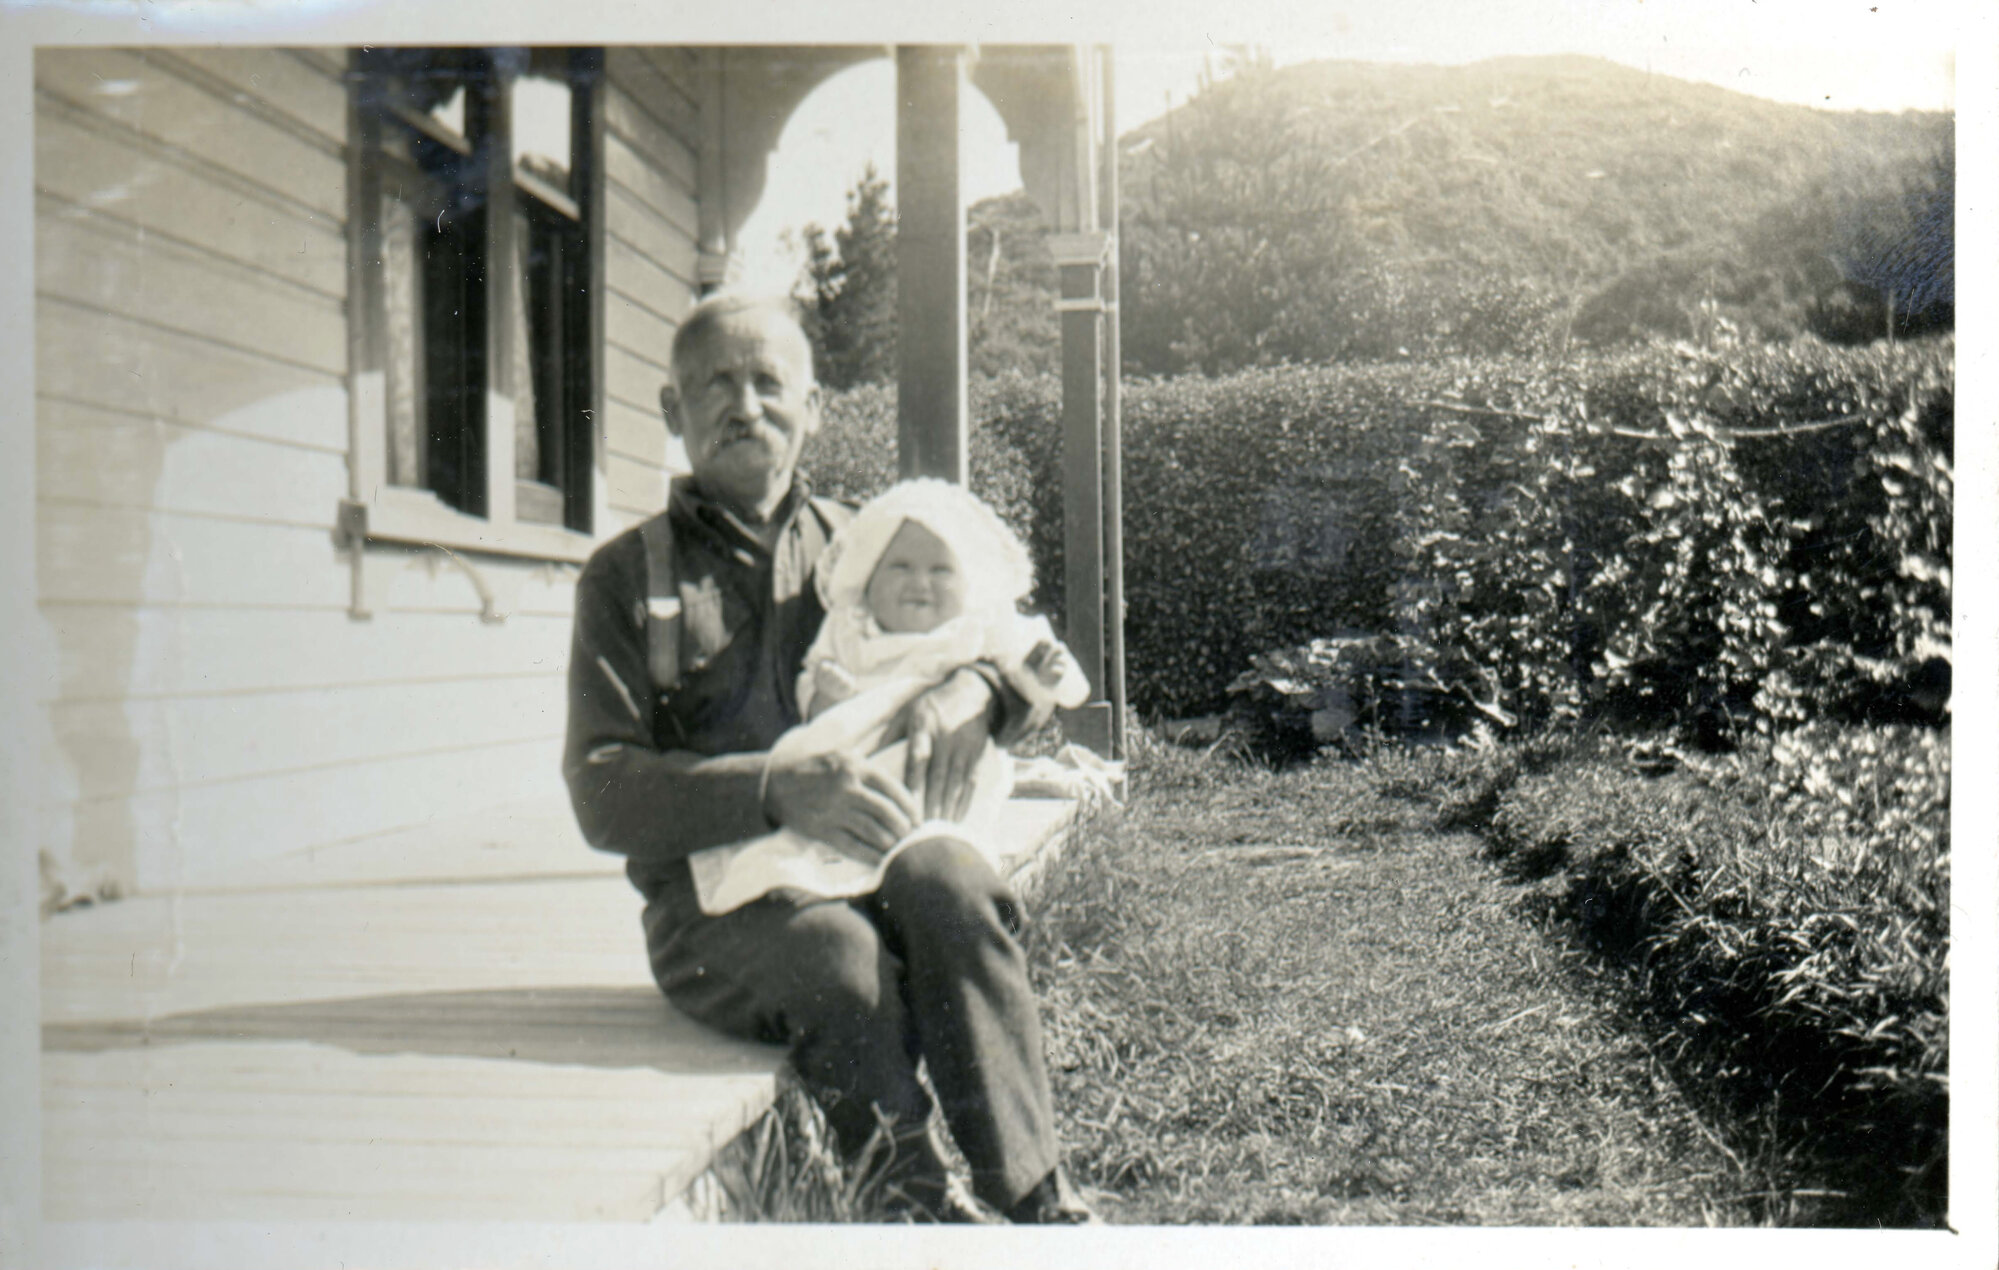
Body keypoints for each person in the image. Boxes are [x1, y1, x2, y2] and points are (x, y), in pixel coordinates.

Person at [562, 294, 1095, 1223]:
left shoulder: (873, 548)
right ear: (669, 410)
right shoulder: (626, 576)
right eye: (716, 385)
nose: (745, 406)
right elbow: (602, 789)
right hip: (717, 915)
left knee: (949, 880)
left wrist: (976, 690)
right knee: (838, 958)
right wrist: (771, 790)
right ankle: (915, 1211)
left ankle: (1039, 1198)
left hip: (874, 868)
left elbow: (990, 645)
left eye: (771, 384)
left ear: (814, 409)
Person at [684, 477, 1092, 917]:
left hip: (941, 768)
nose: (920, 582)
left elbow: (1028, 669)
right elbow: (814, 686)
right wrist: (825, 696)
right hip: (857, 753)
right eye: (900, 567)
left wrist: (1045, 673)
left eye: (941, 571)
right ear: (868, 579)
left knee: (935, 833)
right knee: (821, 828)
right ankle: (822, 881)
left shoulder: (974, 628)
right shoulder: (850, 626)